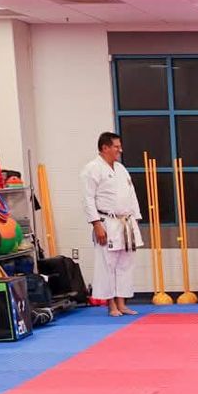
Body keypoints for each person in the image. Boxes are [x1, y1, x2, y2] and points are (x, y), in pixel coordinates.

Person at [80, 131, 143, 318]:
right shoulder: (91, 169)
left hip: (125, 221)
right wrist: (96, 224)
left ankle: (122, 303)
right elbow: (87, 199)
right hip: (106, 221)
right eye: (116, 146)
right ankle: (111, 305)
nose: (120, 150)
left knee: (125, 263)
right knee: (108, 264)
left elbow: (131, 196)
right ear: (105, 147)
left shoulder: (121, 169)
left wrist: (135, 220)